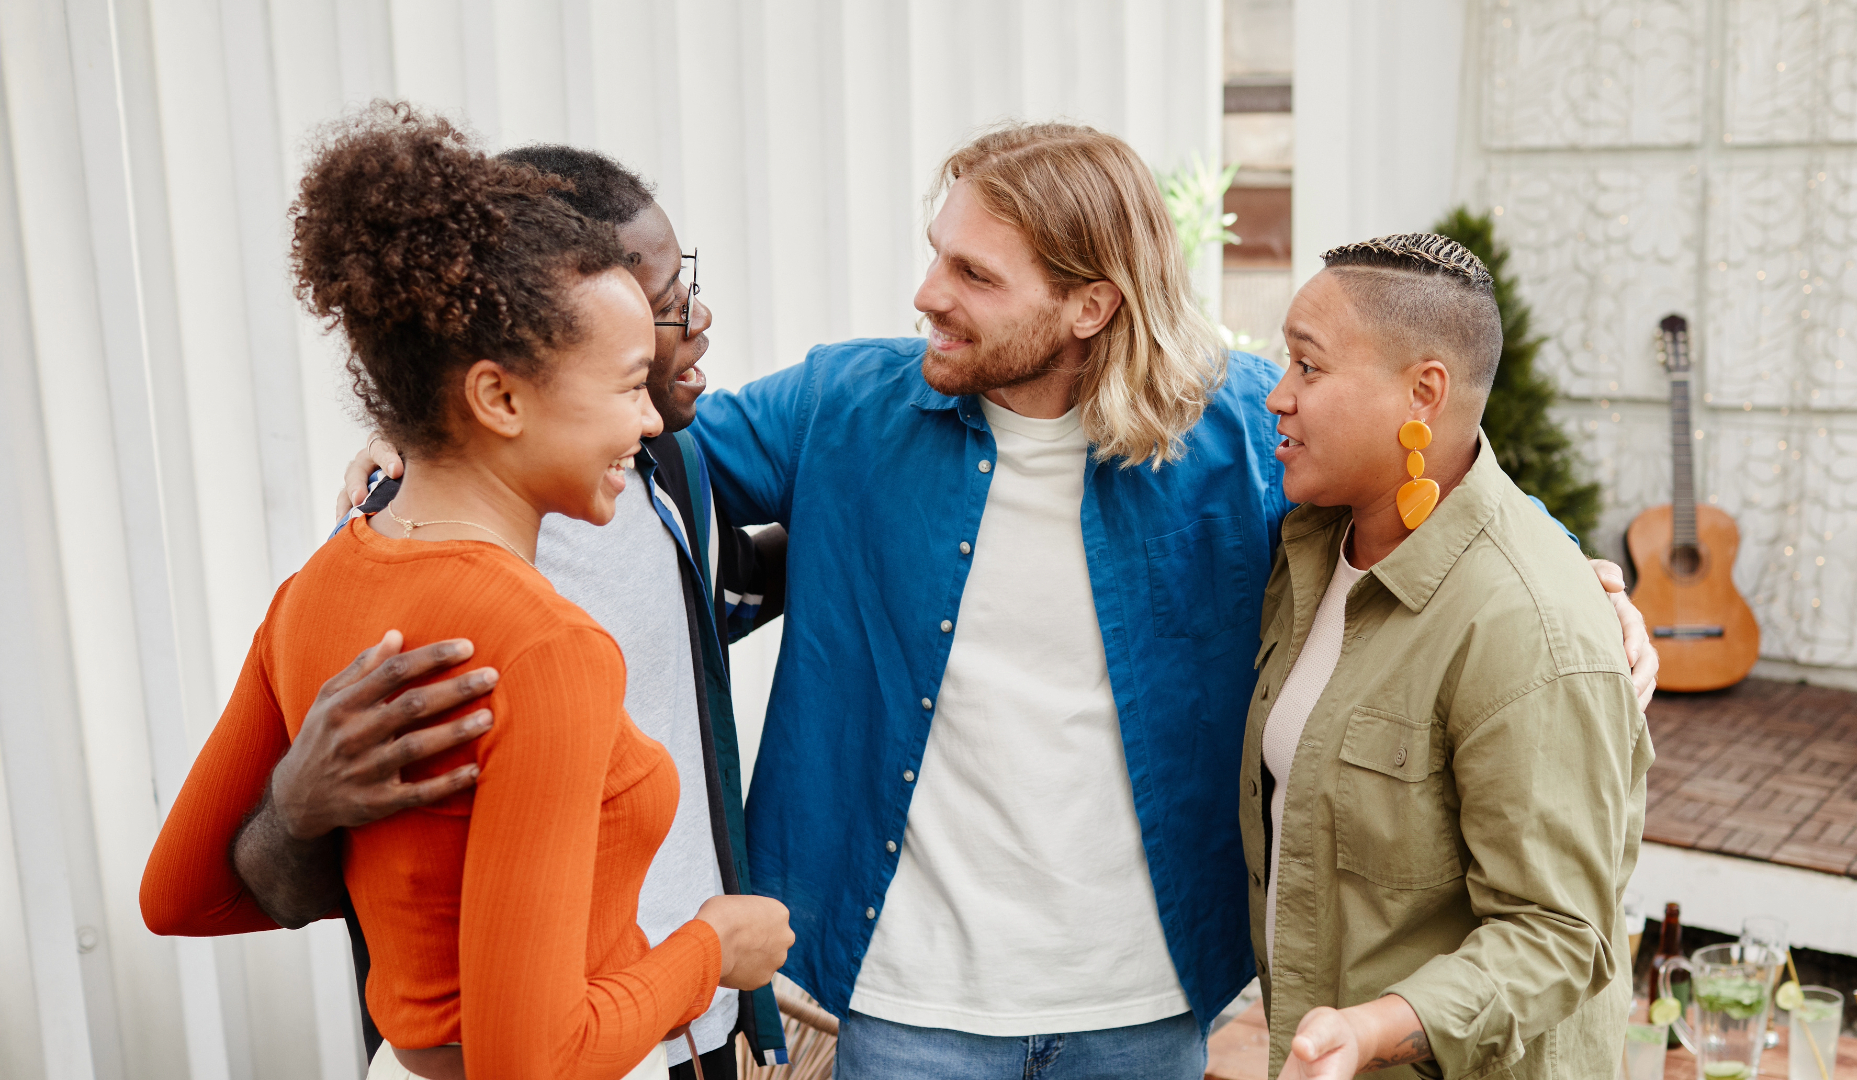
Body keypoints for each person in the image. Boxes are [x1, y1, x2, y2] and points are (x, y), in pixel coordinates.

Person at [325, 122, 1657, 1078]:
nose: (927, 296)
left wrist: (1579, 586)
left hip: (1148, 992)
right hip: (905, 993)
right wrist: (426, 443)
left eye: (974, 276)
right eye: (935, 257)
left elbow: (1429, 469)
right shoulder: (846, 407)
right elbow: (614, 450)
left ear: (1087, 305)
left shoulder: (1245, 430)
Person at [140, 104, 791, 1080]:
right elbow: (523, 1061)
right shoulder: (548, 644)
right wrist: (712, 951)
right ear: (498, 396)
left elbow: (173, 899)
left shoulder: (317, 591)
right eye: (625, 379)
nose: (647, 416)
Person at [1242, 234, 1652, 1080]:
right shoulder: (1314, 544)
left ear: (1423, 392)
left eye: (1308, 368)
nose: (1277, 396)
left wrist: (1374, 1029)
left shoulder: (1528, 626)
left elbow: (1560, 934)